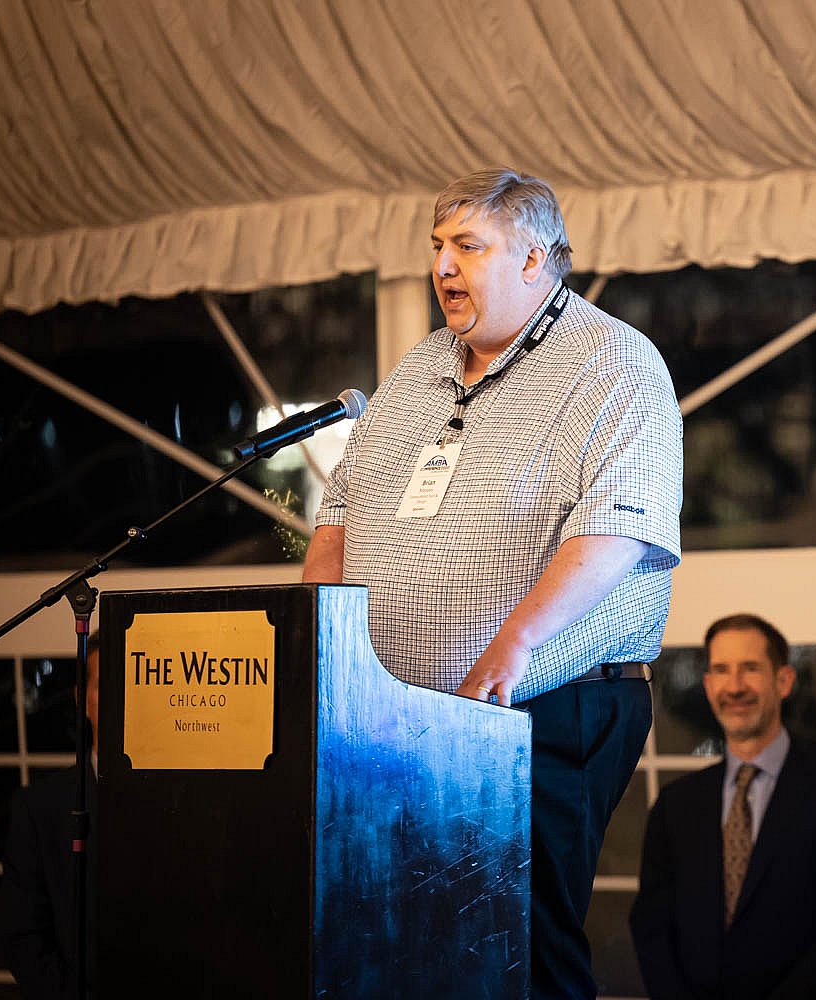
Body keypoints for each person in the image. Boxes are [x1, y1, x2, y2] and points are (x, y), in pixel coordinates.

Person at [302, 167, 683, 999]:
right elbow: (339, 515)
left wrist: (510, 651)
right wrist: (319, 652)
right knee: (405, 945)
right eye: (438, 246)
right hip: (392, 720)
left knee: (518, 949)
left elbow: (619, 531)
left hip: (541, 705)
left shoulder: (614, 361)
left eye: (468, 247)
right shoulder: (416, 369)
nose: (443, 266)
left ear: (534, 259)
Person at [630, 614, 816, 999]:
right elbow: (651, 925)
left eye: (750, 669)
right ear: (708, 685)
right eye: (721, 670)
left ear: (784, 681)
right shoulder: (675, 805)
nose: (734, 687)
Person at [2, 632, 100, 999]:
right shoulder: (39, 809)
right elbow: (24, 937)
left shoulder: (182, 800)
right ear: (82, 698)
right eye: (106, 685)